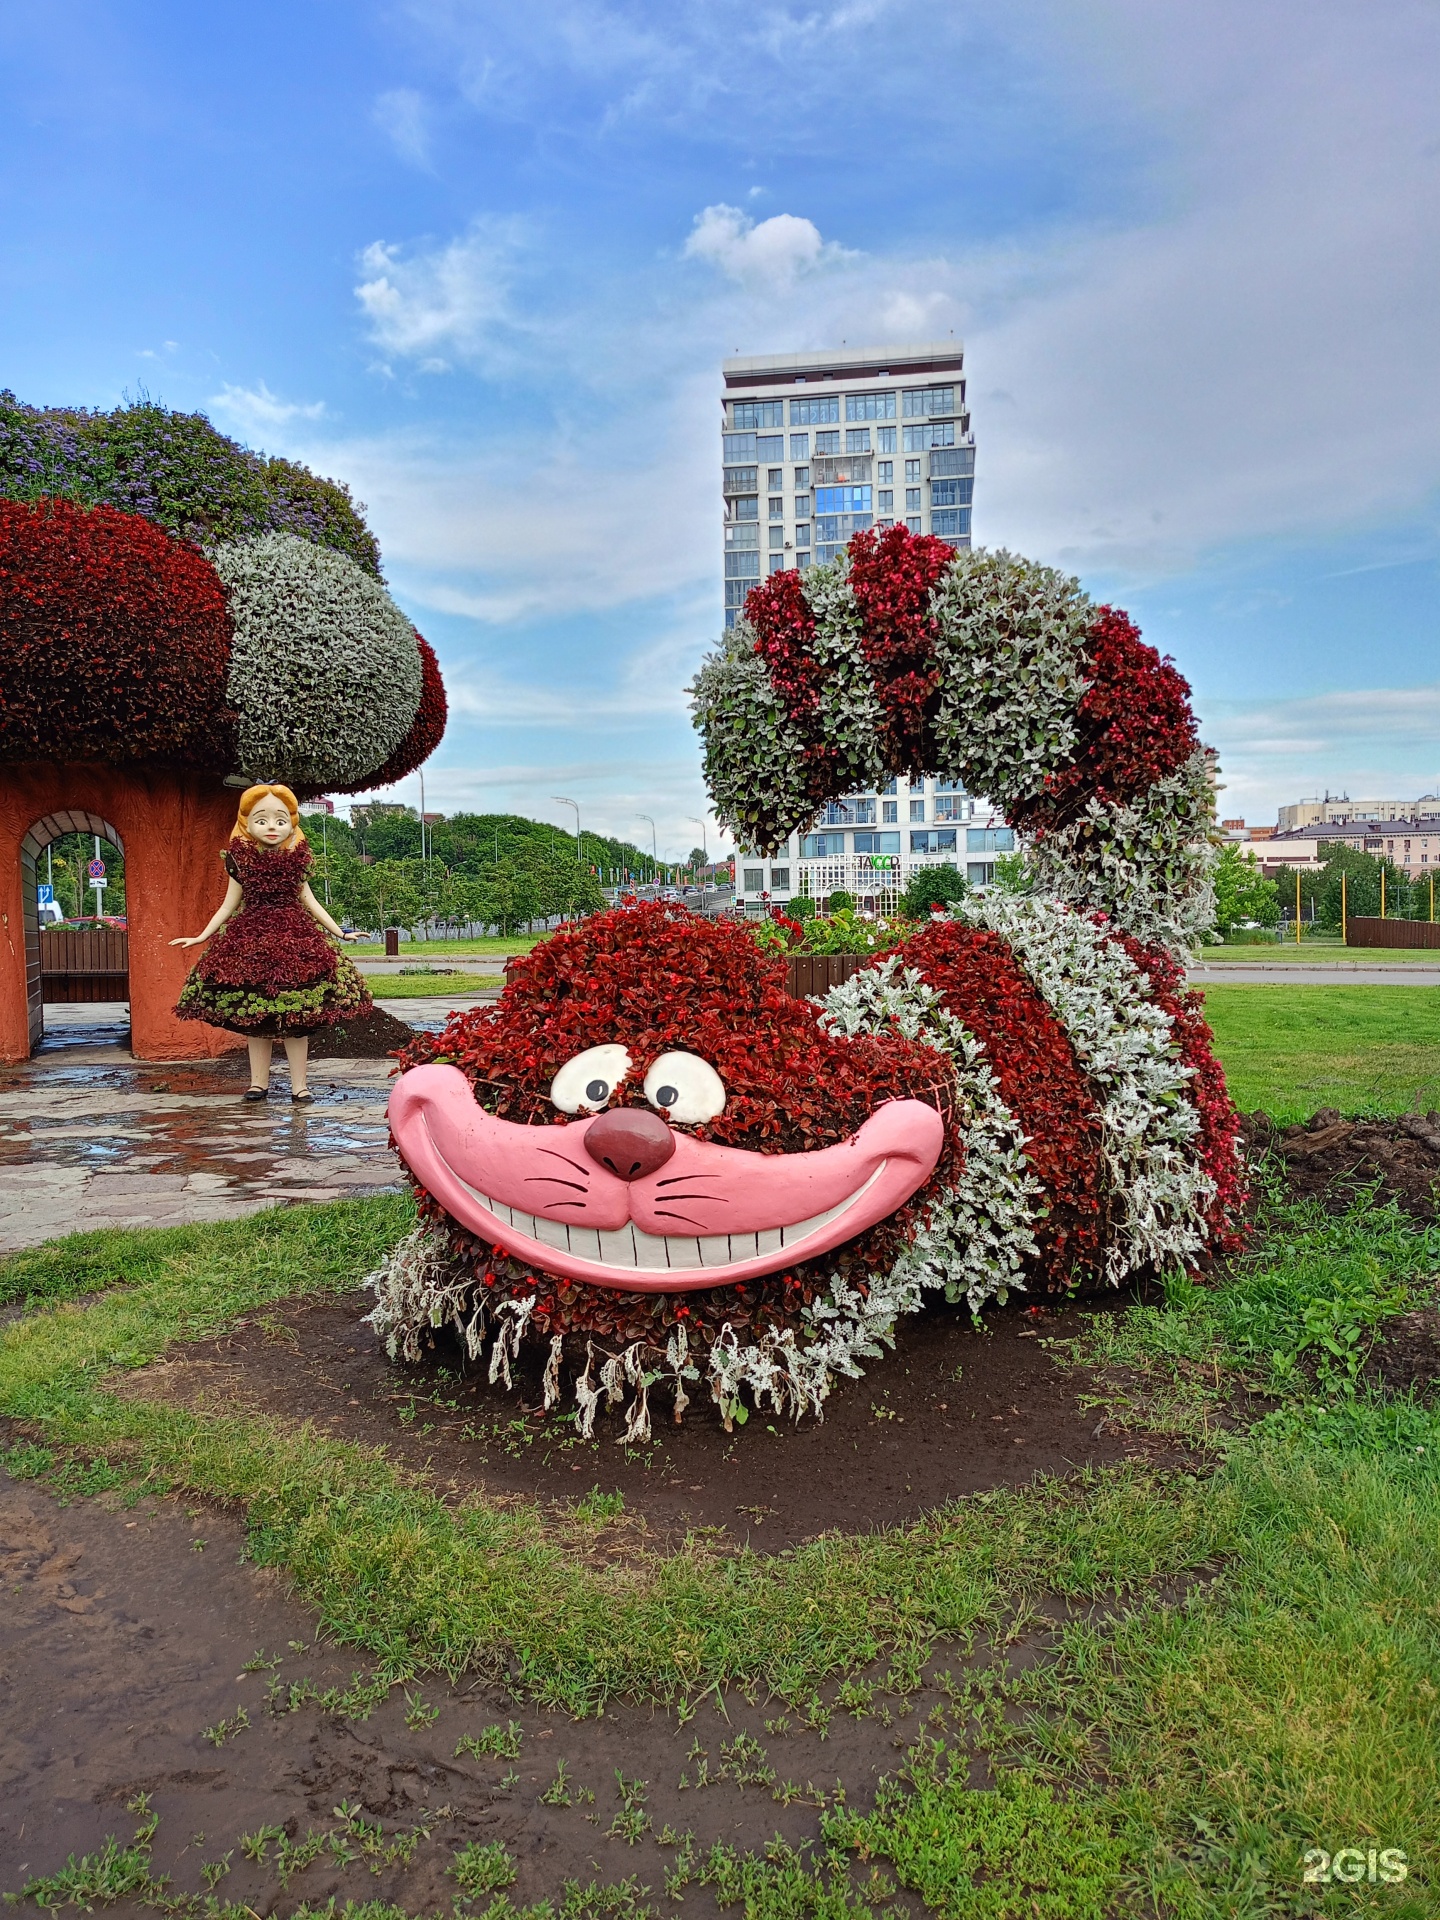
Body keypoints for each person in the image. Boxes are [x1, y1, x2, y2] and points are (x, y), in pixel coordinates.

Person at [171, 784, 370, 1102]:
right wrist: (202, 935)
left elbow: (310, 901)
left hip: (298, 945)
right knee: (256, 1018)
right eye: (261, 820)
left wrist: (341, 932)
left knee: (298, 1018)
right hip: (250, 945)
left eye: (280, 820)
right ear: (246, 824)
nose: (271, 827)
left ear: (292, 823)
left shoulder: (297, 861)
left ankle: (299, 1086)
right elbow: (228, 905)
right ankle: (257, 1083)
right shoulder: (241, 862)